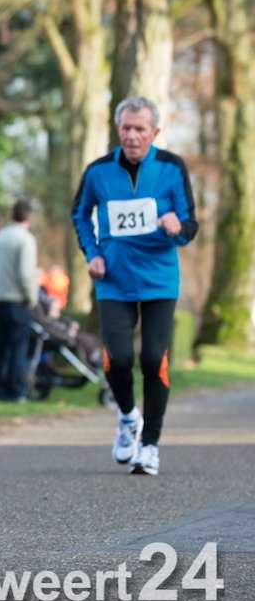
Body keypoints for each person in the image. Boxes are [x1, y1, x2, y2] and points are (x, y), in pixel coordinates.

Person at [72, 97, 198, 476]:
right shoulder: (97, 172)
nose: (132, 135)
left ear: (154, 133)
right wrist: (91, 253)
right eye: (126, 127)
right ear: (118, 129)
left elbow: (191, 224)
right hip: (113, 279)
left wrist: (178, 227)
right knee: (119, 358)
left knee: (153, 359)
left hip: (159, 278)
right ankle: (128, 417)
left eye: (140, 128)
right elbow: (80, 215)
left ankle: (151, 445)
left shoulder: (172, 168)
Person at [0, 199, 39, 402]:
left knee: (0, 346)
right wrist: (31, 298)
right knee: (18, 347)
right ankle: (16, 391)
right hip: (17, 301)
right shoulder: (25, 239)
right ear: (29, 217)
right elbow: (25, 273)